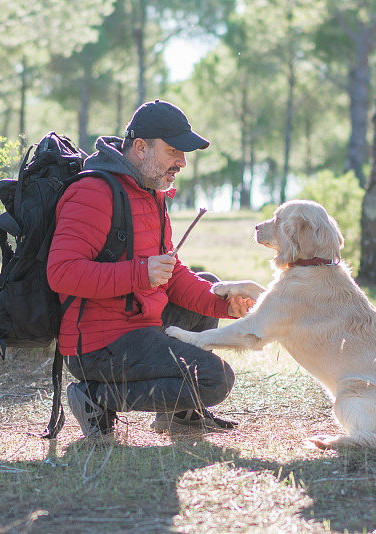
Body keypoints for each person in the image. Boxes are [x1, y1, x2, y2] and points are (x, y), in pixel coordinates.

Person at [47, 99, 254, 438]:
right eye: (174, 151)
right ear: (140, 148)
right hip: (97, 346)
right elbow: (62, 273)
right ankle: (95, 397)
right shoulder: (93, 193)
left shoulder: (150, 193)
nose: (182, 163)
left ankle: (181, 414)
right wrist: (139, 273)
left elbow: (169, 274)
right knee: (215, 379)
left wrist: (223, 303)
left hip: (140, 327)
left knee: (211, 284)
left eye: (183, 154)